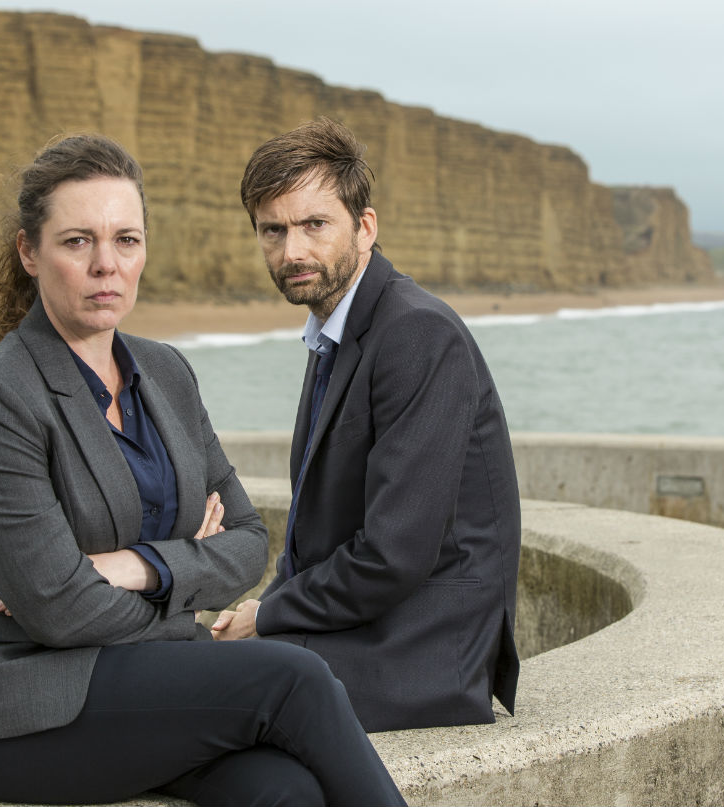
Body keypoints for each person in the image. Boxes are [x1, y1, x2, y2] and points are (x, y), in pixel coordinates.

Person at [0, 133, 405, 807]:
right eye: (77, 241)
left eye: (126, 240)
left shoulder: (166, 372)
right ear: (30, 252)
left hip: (130, 682)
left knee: (282, 790)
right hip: (9, 703)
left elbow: (247, 541)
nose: (106, 265)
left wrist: (134, 566)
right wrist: (184, 592)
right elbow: (58, 610)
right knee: (294, 676)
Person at [212, 118, 521, 733]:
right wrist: (264, 609)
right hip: (369, 623)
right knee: (180, 671)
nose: (292, 252)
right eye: (273, 230)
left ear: (365, 227)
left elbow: (393, 555)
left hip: (427, 649)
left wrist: (266, 616)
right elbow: (319, 533)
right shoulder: (337, 330)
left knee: (204, 699)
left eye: (314, 225)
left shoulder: (417, 332)